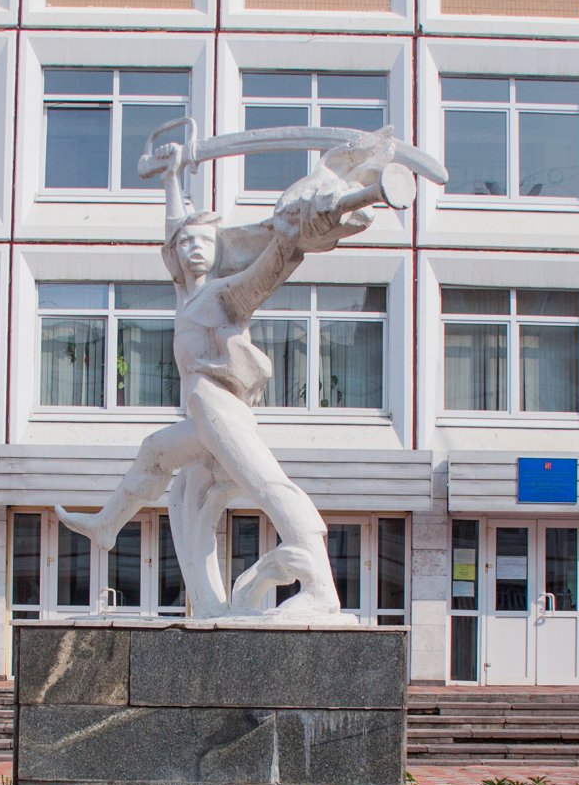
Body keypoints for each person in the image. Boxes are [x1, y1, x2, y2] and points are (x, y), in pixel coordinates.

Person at [55, 129, 407, 618]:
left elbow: (265, 274)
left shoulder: (224, 294)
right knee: (155, 451)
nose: (194, 248)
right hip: (202, 411)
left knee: (269, 486)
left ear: (219, 250)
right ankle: (108, 525)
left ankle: (321, 587)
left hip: (220, 407)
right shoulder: (186, 295)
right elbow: (173, 228)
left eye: (204, 242)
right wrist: (172, 176)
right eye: (186, 244)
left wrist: (286, 240)